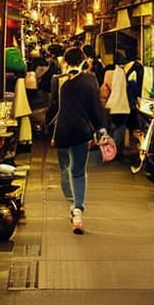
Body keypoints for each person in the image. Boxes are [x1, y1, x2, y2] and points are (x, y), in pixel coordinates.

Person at [47, 45, 108, 234]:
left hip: (62, 132)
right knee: (78, 172)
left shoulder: (57, 80)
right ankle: (78, 210)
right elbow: (94, 107)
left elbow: (53, 108)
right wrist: (100, 129)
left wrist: (51, 134)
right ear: (83, 61)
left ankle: (71, 204)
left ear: (64, 62)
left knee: (64, 169)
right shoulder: (90, 80)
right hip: (82, 132)